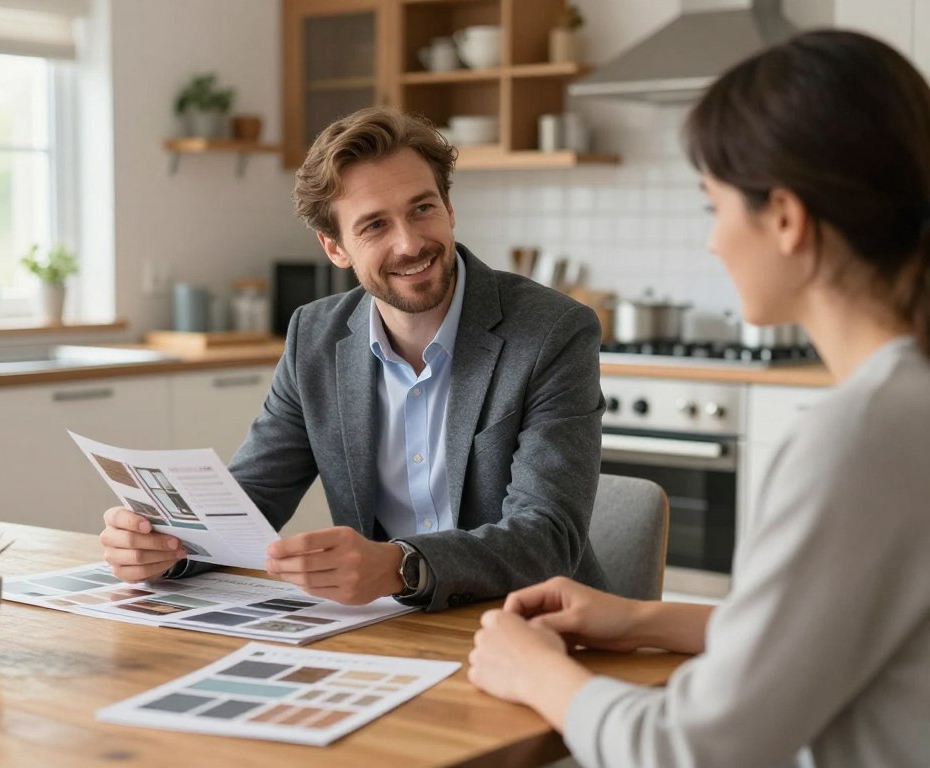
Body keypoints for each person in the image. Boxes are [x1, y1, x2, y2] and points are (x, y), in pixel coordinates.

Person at [467, 29, 930, 767]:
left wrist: (538, 675)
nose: (713, 242)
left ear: (786, 219)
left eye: (714, 206)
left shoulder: (863, 437)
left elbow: (692, 750)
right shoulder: (905, 406)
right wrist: (644, 619)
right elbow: (819, 641)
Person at [99, 107, 608, 611]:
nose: (409, 243)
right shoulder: (314, 337)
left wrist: (401, 566)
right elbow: (249, 501)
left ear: (450, 209)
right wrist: (165, 547)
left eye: (422, 209)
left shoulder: (552, 331)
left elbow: (548, 535)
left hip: (535, 621)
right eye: (375, 225)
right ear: (335, 248)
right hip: (387, 626)